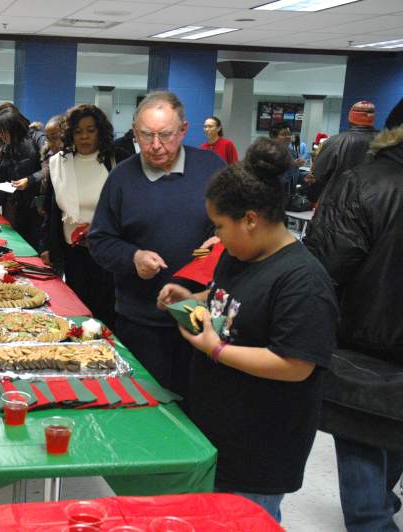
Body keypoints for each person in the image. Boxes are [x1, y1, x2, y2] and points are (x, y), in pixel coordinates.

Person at [157, 137, 337, 523]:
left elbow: (296, 364)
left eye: (221, 226)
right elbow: (231, 298)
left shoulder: (303, 281)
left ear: (251, 220)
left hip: (259, 450)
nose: (217, 236)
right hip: (219, 433)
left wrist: (216, 349)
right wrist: (194, 297)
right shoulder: (239, 255)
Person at [304, 98, 403, 532]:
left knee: (362, 436)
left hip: (361, 344)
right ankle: (383, 499)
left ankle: (375, 516)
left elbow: (324, 266)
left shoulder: (363, 183)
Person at [88, 91, 225, 398]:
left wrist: (222, 239)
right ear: (134, 132)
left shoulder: (212, 168)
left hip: (203, 319)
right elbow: (100, 240)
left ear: (184, 130)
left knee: (200, 409)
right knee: (145, 405)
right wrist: (133, 257)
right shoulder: (122, 178)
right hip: (141, 321)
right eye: (146, 135)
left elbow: (239, 224)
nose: (155, 145)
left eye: (165, 135)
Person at [41, 104, 117, 328]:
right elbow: (52, 210)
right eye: (78, 131)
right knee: (77, 305)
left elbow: (126, 207)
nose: (84, 137)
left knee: (104, 308)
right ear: (70, 134)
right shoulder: (59, 163)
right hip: (72, 249)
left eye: (90, 130)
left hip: (106, 248)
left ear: (100, 132)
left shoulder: (114, 160)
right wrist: (47, 245)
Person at [0, 105, 46, 249]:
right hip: (16, 208)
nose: (0, 136)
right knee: (17, 247)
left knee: (35, 247)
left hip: (38, 208)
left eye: (3, 132)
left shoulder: (37, 137)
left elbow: (50, 167)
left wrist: (30, 180)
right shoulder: (8, 147)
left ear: (13, 127)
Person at [303, 100, 377, 203]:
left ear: (350, 119)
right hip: (375, 205)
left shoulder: (334, 142)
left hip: (337, 204)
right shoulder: (388, 144)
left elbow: (317, 175)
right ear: (373, 120)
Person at [268, 122, 300, 196]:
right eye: (284, 134)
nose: (288, 137)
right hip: (274, 196)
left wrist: (304, 178)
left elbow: (293, 177)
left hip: (289, 196)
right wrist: (293, 166)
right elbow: (277, 180)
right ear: (274, 137)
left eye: (289, 134)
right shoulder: (269, 154)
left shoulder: (293, 153)